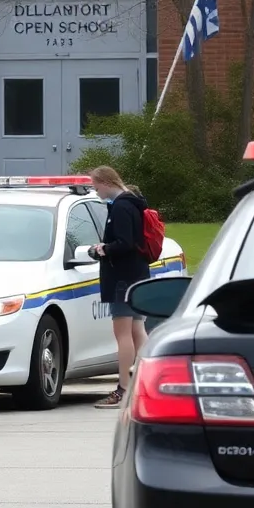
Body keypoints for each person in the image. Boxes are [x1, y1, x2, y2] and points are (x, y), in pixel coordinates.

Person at [88, 166, 151, 409]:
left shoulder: (122, 206)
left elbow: (125, 243)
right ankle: (144, 385)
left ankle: (124, 388)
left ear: (105, 182)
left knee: (123, 333)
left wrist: (104, 249)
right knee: (137, 330)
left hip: (123, 278)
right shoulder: (133, 203)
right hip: (136, 274)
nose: (95, 190)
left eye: (96, 185)